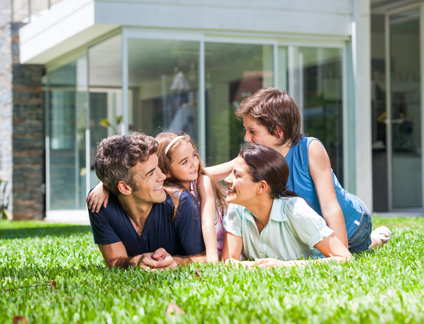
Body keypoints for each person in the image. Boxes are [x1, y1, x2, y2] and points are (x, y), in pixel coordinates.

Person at [209, 87, 391, 254]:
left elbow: (330, 208)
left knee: (354, 250)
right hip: (315, 230)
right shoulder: (257, 158)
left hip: (352, 225)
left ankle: (376, 238)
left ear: (278, 131)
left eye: (252, 131)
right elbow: (213, 172)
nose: (246, 137)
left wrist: (340, 253)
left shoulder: (310, 149)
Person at [88, 131, 227, 263]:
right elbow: (114, 261)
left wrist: (176, 262)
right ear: (124, 187)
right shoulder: (99, 203)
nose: (162, 177)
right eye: (151, 173)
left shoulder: (184, 200)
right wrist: (137, 262)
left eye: (158, 167)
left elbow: (205, 259)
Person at [221, 144, 351, 267]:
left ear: (261, 187)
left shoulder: (295, 211)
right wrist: (254, 266)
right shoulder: (237, 208)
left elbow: (345, 258)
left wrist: (284, 266)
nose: (227, 179)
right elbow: (228, 260)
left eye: (237, 175)